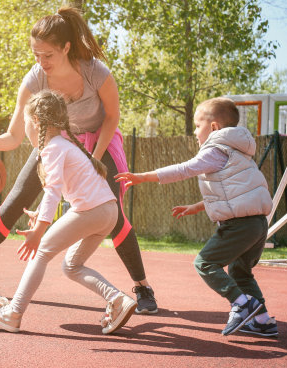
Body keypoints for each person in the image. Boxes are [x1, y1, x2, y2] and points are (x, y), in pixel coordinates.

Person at [0, 6, 158, 314]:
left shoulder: (96, 71)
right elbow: (14, 136)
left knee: (112, 210)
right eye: (36, 55)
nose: (41, 63)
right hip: (55, 140)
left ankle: (142, 286)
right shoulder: (35, 80)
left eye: (48, 56)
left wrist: (93, 161)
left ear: (66, 48)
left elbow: (112, 118)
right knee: (15, 200)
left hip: (98, 141)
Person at [0, 90, 137, 333]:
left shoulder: (52, 148)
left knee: (40, 252)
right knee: (72, 266)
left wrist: (40, 230)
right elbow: (61, 188)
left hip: (91, 211)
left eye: (26, 122)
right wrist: (40, 211)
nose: (26, 128)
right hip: (108, 211)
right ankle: (117, 299)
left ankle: (13, 313)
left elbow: (52, 191)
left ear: (37, 122)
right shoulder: (66, 145)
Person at [115, 97, 278, 337]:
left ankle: (242, 304)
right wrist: (197, 206)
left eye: (197, 125)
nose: (194, 131)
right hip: (257, 224)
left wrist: (144, 176)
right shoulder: (239, 152)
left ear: (213, 127)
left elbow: (185, 169)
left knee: (205, 263)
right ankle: (262, 320)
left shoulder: (216, 148)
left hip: (239, 226)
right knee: (241, 272)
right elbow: (233, 193)